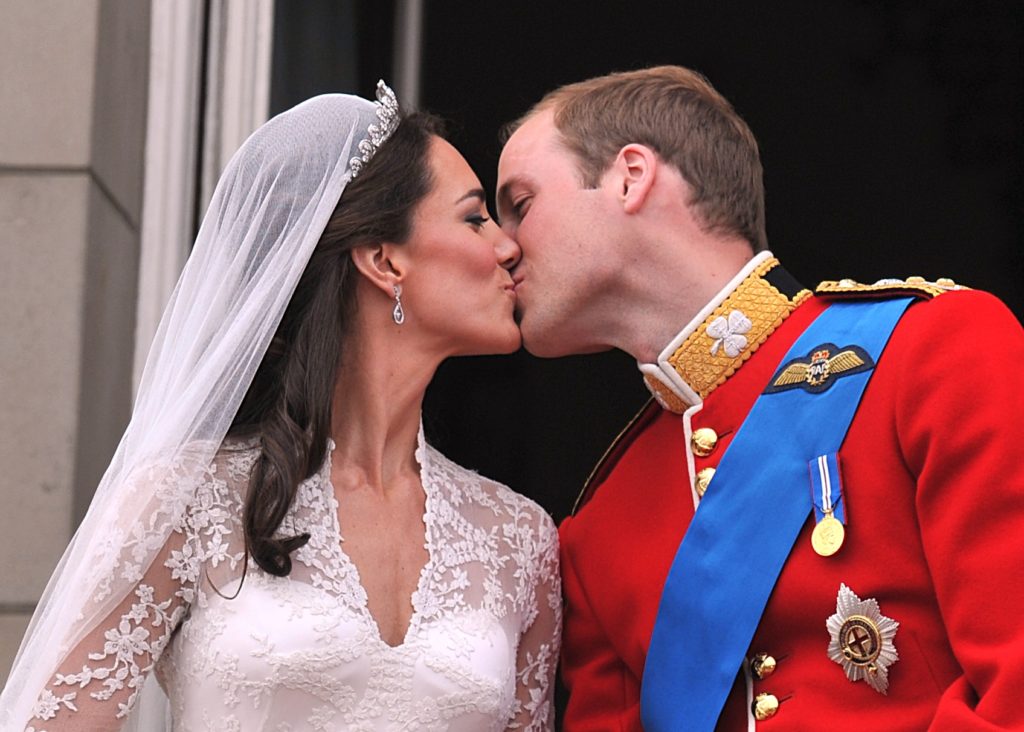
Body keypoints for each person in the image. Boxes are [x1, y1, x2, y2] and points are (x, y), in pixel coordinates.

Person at [1, 83, 560, 731]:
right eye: (474, 218)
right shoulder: (188, 498)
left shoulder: (521, 539)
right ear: (384, 261)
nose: (508, 247)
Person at [496, 65, 1024, 730]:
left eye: (521, 205)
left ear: (630, 177)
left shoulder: (933, 350)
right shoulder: (596, 529)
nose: (501, 248)